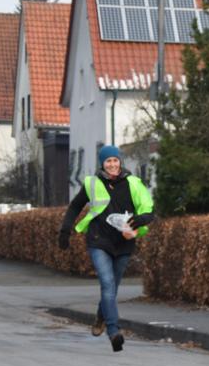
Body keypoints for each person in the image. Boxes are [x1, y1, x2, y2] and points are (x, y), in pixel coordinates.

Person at [57, 145, 155, 352]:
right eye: (107, 161)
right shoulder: (92, 183)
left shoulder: (133, 183)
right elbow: (75, 206)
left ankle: (101, 317)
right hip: (98, 240)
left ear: (120, 162)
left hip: (124, 243)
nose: (112, 164)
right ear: (102, 163)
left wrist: (137, 223)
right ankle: (114, 332)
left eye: (115, 160)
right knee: (108, 284)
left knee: (112, 288)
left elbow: (149, 212)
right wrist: (65, 231)